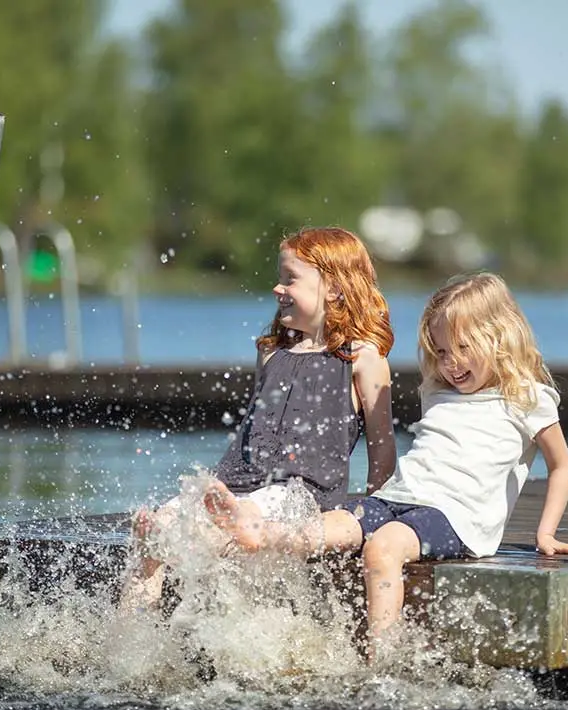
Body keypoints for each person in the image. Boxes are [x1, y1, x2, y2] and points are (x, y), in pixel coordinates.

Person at [205, 272, 568, 657]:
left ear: (499, 339)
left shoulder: (527, 398)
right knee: (334, 525)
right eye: (441, 352)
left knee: (383, 547)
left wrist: (546, 534)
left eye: (462, 348)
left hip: (457, 516)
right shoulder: (439, 393)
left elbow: (560, 466)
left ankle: (383, 657)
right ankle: (260, 533)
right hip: (401, 495)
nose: (451, 363)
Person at [120, 226, 396, 611]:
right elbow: (261, 432)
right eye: (279, 279)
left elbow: (382, 449)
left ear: (334, 289)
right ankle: (132, 639)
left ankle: (191, 546)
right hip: (236, 485)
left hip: (300, 493)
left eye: (290, 280)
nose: (277, 289)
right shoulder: (271, 353)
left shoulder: (363, 359)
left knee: (223, 527)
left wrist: (373, 514)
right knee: (154, 530)